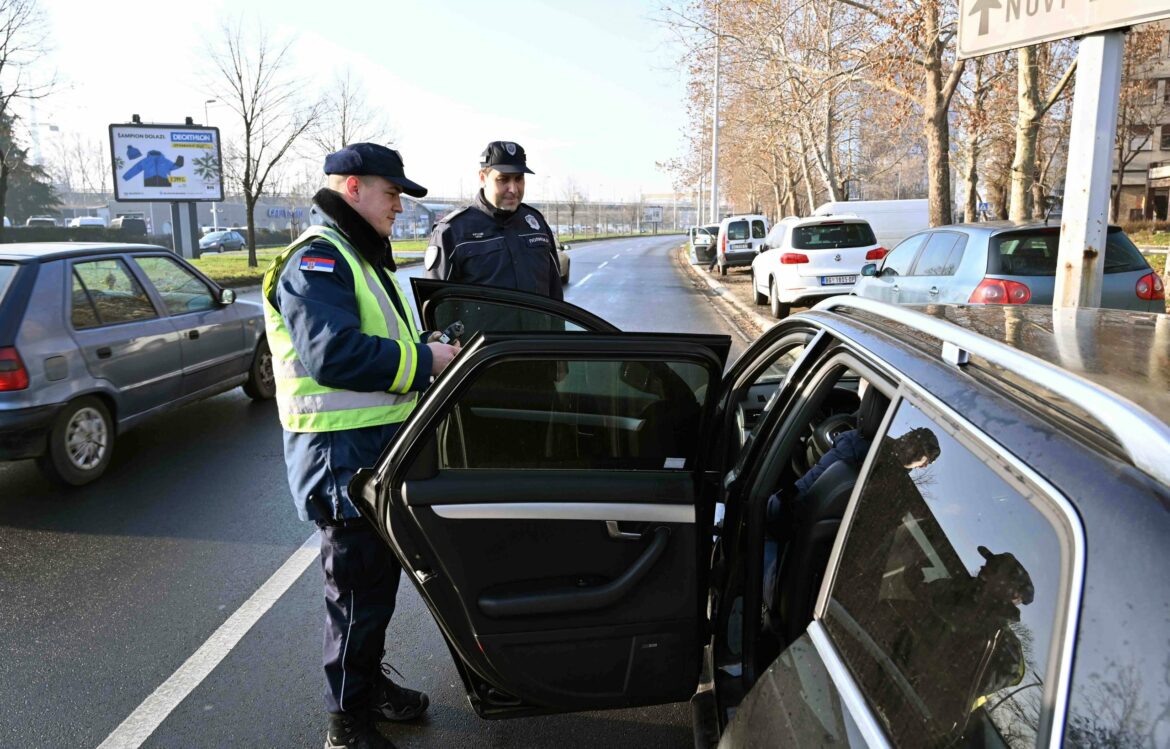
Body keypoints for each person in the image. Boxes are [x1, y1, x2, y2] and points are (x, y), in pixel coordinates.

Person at [262, 143, 460, 749]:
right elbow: (332, 355)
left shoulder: (359, 257)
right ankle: (346, 722)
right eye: (391, 192)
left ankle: (366, 686)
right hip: (338, 458)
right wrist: (425, 360)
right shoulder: (317, 260)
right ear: (352, 188)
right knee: (354, 593)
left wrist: (426, 344)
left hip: (370, 452)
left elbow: (380, 339)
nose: (400, 206)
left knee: (374, 587)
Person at [424, 140, 563, 300]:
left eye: (518, 179)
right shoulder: (452, 231)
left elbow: (555, 295)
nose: (513, 189)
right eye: (503, 179)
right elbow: (436, 304)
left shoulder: (536, 224)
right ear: (483, 178)